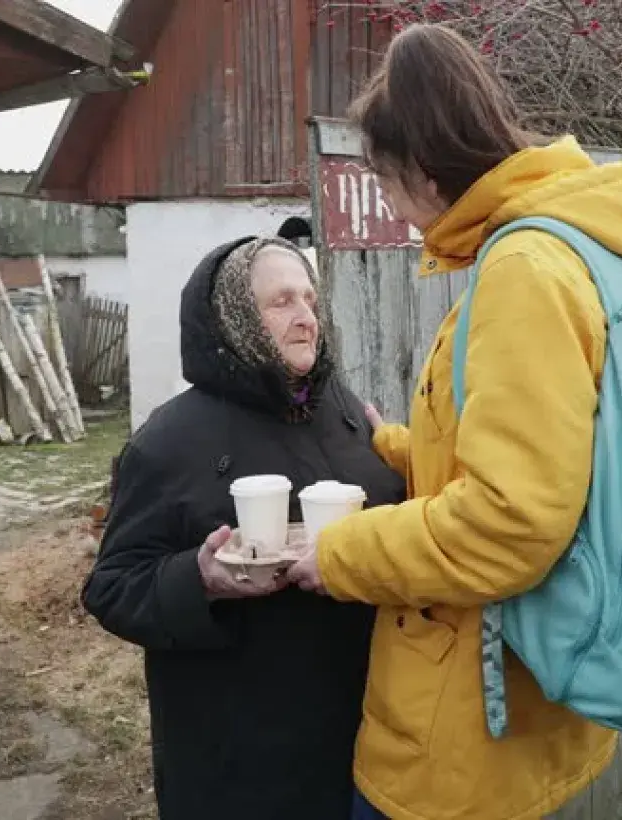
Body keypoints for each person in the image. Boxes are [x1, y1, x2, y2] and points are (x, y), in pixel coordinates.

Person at [285, 23, 622, 820]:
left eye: (389, 186)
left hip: (462, 733)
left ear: (420, 168)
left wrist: (338, 554)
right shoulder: (580, 243)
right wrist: (395, 446)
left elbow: (510, 524)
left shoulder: (524, 269)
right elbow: (556, 455)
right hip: (521, 703)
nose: (400, 215)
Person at [82, 236, 406, 820]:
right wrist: (201, 580)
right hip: (244, 757)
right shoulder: (171, 439)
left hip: (365, 732)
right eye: (281, 302)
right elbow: (112, 587)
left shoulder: (345, 410)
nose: (307, 317)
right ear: (231, 315)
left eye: (310, 299)